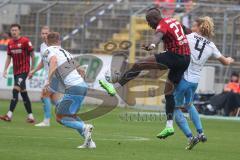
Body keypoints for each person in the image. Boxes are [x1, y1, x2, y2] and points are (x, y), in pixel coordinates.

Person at [99, 7, 191, 138]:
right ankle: (169, 126)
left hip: (175, 56)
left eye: (149, 21)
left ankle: (114, 87)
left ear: (154, 19)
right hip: (186, 59)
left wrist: (152, 45)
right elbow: (187, 31)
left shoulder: (162, 24)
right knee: (168, 92)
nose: (149, 25)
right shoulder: (172, 20)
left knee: (139, 64)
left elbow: (158, 36)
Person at [172, 16, 234, 150]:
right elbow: (224, 62)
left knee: (174, 108)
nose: (192, 27)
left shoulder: (189, 37)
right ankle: (201, 133)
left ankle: (190, 137)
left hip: (184, 79)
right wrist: (230, 59)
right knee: (189, 104)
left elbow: (175, 46)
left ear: (200, 27)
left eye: (194, 25)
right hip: (195, 81)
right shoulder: (211, 45)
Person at [44, 32, 96, 148]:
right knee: (71, 116)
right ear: (59, 41)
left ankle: (84, 127)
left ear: (47, 42)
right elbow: (81, 70)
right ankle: (89, 142)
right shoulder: (65, 52)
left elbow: (53, 61)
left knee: (60, 117)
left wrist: (48, 79)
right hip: (82, 86)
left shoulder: (49, 50)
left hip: (73, 88)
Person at [0, 24, 35, 123]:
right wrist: (5, 69)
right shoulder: (10, 43)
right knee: (23, 94)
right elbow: (8, 57)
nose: (14, 32)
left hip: (24, 70)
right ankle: (31, 117)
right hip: (16, 71)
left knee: (15, 90)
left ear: (19, 31)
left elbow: (33, 55)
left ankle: (9, 115)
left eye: (15, 30)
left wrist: (32, 68)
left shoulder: (25, 41)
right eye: (12, 30)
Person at [28, 26, 60, 127]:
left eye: (46, 33)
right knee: (55, 100)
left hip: (54, 75)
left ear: (50, 34)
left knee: (44, 95)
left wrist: (51, 77)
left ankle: (46, 121)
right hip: (49, 75)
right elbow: (43, 61)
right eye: (43, 33)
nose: (44, 35)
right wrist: (33, 70)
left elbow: (56, 61)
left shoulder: (55, 46)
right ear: (40, 35)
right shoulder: (42, 46)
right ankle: (70, 115)